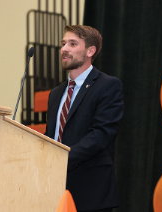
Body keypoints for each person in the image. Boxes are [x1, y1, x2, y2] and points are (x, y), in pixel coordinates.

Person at [45, 25, 124, 212]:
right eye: (63, 43)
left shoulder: (108, 86)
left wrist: (61, 159)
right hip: (52, 190)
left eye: (73, 44)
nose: (64, 49)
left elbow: (100, 134)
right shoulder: (55, 94)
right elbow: (51, 137)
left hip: (90, 192)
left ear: (90, 51)